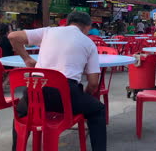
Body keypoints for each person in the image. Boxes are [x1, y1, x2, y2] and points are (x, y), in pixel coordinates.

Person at [8, 11, 106, 151]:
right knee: (98, 110)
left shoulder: (49, 32)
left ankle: (16, 148)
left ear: (67, 22)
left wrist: (27, 59)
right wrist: (85, 95)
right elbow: (93, 83)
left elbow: (13, 36)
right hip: (66, 96)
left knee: (21, 111)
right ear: (87, 27)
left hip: (35, 93)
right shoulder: (89, 44)